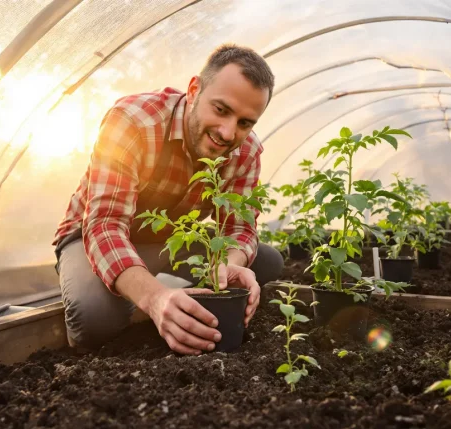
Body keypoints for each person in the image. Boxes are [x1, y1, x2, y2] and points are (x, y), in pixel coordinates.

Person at [52, 44, 284, 355]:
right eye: (221, 110)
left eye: (245, 123)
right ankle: (154, 297)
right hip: (91, 237)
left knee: (267, 261)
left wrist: (229, 265)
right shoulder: (133, 122)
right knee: (94, 318)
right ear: (194, 90)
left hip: (168, 242)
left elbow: (239, 228)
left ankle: (173, 300)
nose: (229, 133)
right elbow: (105, 225)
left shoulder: (247, 151)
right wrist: (154, 298)